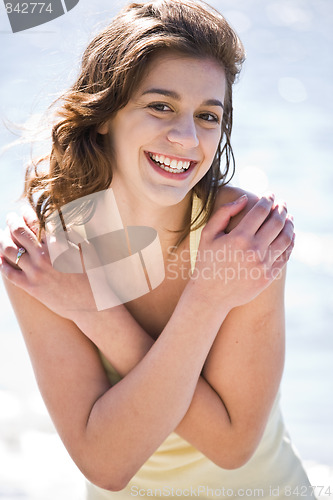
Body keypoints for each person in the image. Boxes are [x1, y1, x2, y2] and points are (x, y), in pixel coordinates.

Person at [0, 0, 316, 498]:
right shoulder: (45, 255)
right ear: (104, 115)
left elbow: (233, 446)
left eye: (208, 115)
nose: (187, 137)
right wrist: (204, 302)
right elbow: (106, 463)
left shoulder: (245, 236)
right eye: (160, 105)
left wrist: (94, 310)